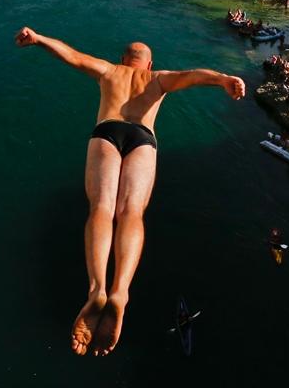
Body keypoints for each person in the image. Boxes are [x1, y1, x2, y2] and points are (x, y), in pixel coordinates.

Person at [15, 27, 245, 358]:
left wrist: (38, 38)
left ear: (124, 60)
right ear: (148, 65)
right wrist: (223, 78)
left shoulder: (110, 70)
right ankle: (120, 291)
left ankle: (97, 290)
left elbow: (73, 55)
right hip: (143, 138)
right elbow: (193, 76)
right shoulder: (158, 79)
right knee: (132, 213)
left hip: (107, 132)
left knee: (101, 210)